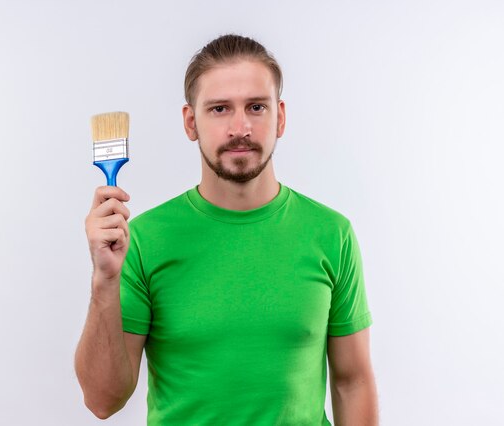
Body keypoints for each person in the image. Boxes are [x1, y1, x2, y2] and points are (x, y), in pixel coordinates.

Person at [75, 34, 378, 425]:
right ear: (191, 122)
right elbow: (103, 401)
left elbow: (352, 382)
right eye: (219, 109)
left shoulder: (332, 233)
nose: (240, 127)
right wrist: (104, 280)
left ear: (280, 117)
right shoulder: (143, 239)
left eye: (256, 107)